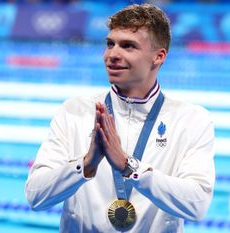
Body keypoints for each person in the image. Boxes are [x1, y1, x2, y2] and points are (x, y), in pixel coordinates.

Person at [25, 3, 215, 232]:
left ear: (158, 56)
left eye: (128, 46)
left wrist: (129, 167)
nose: (112, 55)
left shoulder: (191, 120)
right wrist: (85, 165)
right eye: (110, 44)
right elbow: (35, 196)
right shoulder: (74, 112)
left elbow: (197, 205)